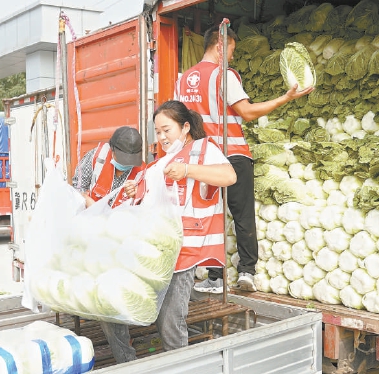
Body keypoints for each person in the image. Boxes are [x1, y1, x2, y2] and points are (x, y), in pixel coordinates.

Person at [176, 24, 314, 293]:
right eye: (232, 49)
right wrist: (285, 98)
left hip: (202, 160)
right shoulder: (222, 75)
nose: (233, 55)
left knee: (212, 215)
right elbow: (247, 112)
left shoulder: (184, 79)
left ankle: (215, 276)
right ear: (220, 45)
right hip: (232, 153)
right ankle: (247, 272)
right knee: (242, 215)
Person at [121, 100, 236, 357]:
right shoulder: (161, 162)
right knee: (161, 317)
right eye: (158, 132)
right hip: (159, 251)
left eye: (167, 130)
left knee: (171, 320)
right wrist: (135, 190)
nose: (161, 137)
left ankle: (182, 366)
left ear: (185, 127)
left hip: (185, 250)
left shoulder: (202, 149)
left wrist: (188, 170)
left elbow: (229, 176)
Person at [71, 125, 145, 363]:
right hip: (91, 239)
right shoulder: (94, 158)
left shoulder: (141, 169)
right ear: (112, 148)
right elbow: (75, 191)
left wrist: (137, 194)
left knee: (120, 299)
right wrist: (93, 205)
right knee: (108, 300)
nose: (127, 164)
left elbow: (146, 205)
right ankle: (126, 358)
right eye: (123, 158)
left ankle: (128, 349)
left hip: (123, 242)